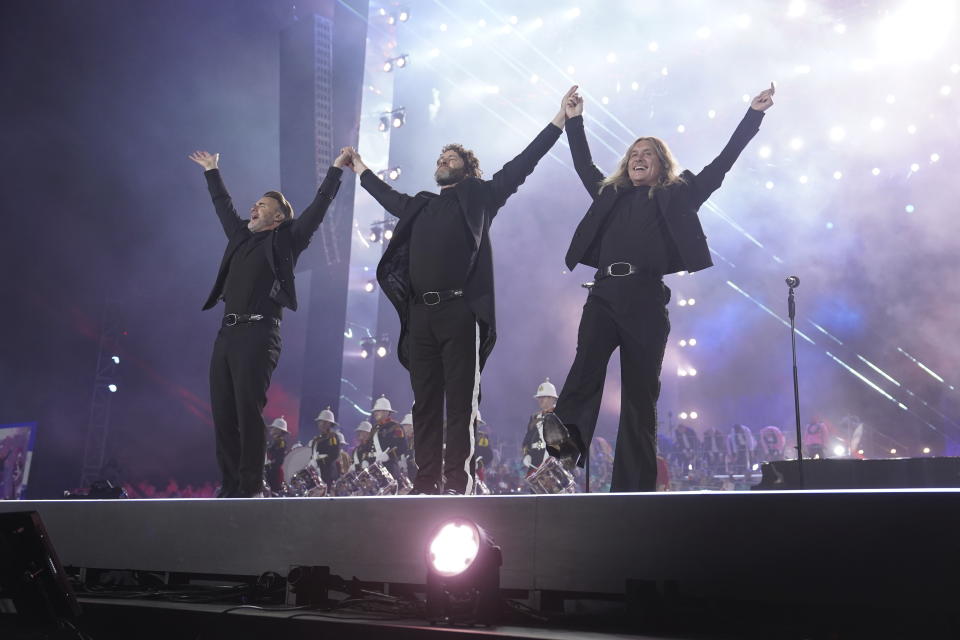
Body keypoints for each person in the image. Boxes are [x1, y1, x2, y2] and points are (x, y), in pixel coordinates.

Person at [341, 87, 578, 494]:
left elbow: (522, 164)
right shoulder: (420, 204)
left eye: (450, 158)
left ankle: (456, 481)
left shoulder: (479, 197)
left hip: (458, 311)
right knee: (424, 403)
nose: (442, 161)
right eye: (439, 158)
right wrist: (360, 167)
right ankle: (425, 481)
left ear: (468, 169)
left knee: (460, 403)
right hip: (420, 315)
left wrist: (560, 119)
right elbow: (387, 196)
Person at [554, 83, 776, 492]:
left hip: (645, 299)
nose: (638, 159)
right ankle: (564, 451)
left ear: (661, 165)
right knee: (585, 368)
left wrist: (752, 116)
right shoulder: (610, 194)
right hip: (603, 293)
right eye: (633, 154)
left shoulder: (678, 195)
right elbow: (583, 164)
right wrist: (575, 120)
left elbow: (721, 165)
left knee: (640, 397)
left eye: (647, 155)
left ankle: (633, 487)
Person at [189, 148, 349, 498]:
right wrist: (212, 170)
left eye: (262, 205)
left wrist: (336, 171)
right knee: (224, 412)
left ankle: (249, 487)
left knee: (247, 409)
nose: (253, 208)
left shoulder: (286, 240)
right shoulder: (240, 237)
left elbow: (318, 209)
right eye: (256, 204)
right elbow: (223, 207)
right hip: (228, 333)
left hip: (260, 332)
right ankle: (230, 484)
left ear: (278, 218)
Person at [370, 395, 407, 481]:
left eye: (378, 410)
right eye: (375, 411)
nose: (375, 413)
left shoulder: (395, 427)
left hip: (389, 468)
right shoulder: (374, 429)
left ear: (386, 412)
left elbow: (402, 446)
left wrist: (388, 456)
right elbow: (369, 448)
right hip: (374, 468)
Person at [310, 407, 345, 485]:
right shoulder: (317, 439)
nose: (321, 424)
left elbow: (334, 454)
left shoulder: (333, 437)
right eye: (320, 422)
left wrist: (320, 461)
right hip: (317, 471)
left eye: (324, 422)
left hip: (328, 472)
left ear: (329, 424)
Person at [264, 416, 290, 494]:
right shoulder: (273, 442)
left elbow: (278, 459)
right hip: (269, 470)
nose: (271, 429)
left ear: (279, 430)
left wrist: (270, 464)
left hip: (275, 472)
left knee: (274, 492)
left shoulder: (281, 442)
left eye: (274, 428)